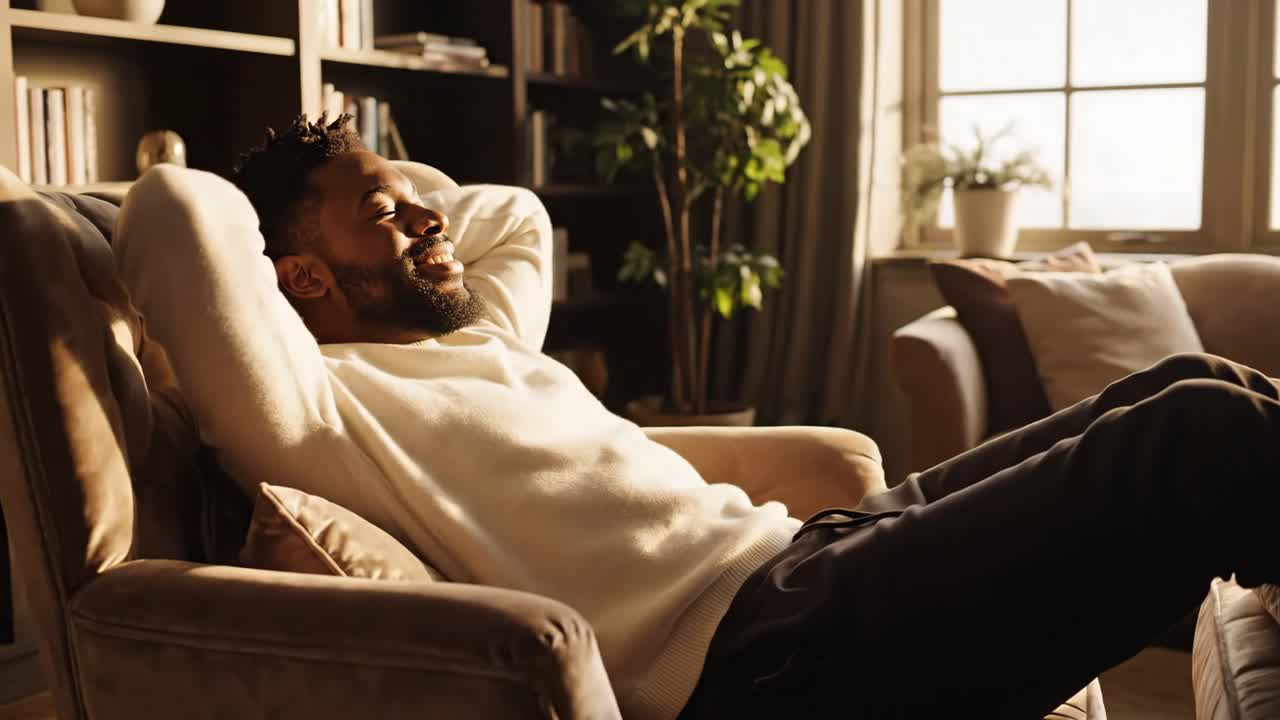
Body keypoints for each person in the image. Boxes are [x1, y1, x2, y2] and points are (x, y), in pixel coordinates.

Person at [114, 115, 1280, 719]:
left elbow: (514, 216)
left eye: (423, 205)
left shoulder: (473, 341)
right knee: (1194, 448)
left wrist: (379, 199)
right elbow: (173, 209)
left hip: (811, 553)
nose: (431, 221)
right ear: (297, 280)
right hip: (765, 653)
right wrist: (294, 209)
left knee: (1186, 388)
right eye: (389, 212)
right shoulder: (317, 409)